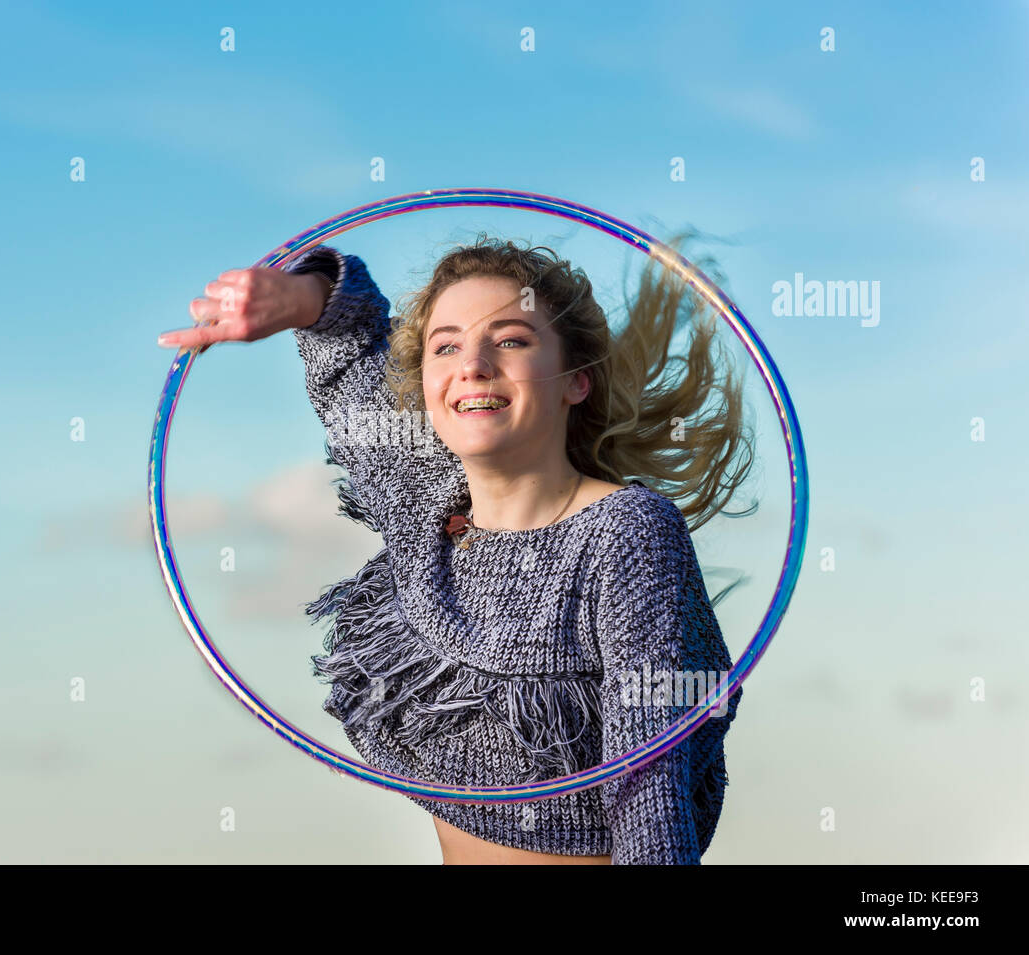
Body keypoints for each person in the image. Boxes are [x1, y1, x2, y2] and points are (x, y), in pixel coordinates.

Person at [158, 232, 755, 864]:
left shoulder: (627, 533)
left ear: (575, 382)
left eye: (510, 340)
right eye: (446, 346)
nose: (472, 364)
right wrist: (302, 294)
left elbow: (651, 789)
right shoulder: (425, 512)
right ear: (424, 387)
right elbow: (351, 355)